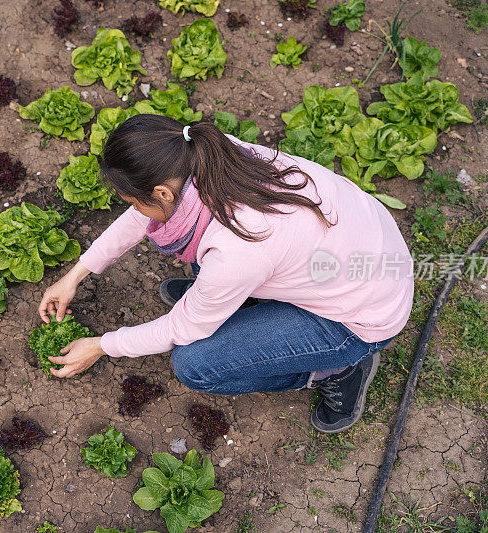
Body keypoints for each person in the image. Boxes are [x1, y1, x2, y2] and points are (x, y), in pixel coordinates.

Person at [37, 114, 413, 434]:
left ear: (161, 193)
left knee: (195, 364)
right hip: (357, 247)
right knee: (207, 264)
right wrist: (76, 274)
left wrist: (101, 345)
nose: (135, 209)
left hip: (359, 317)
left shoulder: (239, 247)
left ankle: (339, 369)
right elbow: (144, 213)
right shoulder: (209, 154)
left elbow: (180, 330)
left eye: (134, 200)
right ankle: (226, 298)